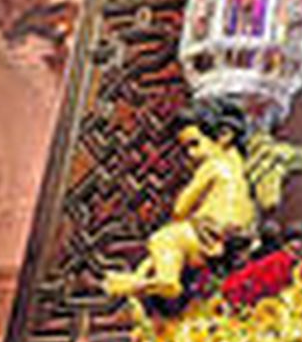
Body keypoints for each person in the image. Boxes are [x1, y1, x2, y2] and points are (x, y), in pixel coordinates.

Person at [103, 99, 257, 300]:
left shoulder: (213, 166)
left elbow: (180, 207)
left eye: (194, 144)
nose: (191, 155)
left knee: (163, 238)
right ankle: (142, 280)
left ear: (224, 136)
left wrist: (180, 216)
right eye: (186, 149)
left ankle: (166, 280)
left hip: (211, 232)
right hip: (237, 234)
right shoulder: (241, 170)